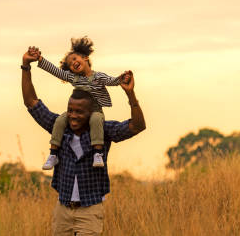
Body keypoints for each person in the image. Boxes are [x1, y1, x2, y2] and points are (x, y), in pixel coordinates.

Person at [21, 46, 146, 235]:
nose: (73, 115)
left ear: (91, 113)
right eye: (70, 110)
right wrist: (26, 66)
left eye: (79, 112)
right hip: (62, 210)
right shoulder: (60, 127)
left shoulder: (102, 129)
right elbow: (31, 102)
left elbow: (137, 126)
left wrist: (130, 95)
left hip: (90, 211)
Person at [31, 37, 129, 170]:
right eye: (70, 64)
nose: (73, 63)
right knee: (60, 120)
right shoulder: (73, 78)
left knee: (96, 120)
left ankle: (97, 153)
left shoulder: (98, 77)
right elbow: (56, 71)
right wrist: (40, 59)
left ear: (85, 58)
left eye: (75, 59)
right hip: (77, 112)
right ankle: (53, 154)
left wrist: (122, 78)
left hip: (95, 110)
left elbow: (112, 81)